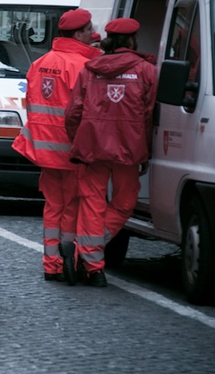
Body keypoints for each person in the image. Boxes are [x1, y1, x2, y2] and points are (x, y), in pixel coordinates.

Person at [65, 17, 157, 288]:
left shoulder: (89, 70)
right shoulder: (147, 71)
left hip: (92, 148)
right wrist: (146, 151)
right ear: (132, 40)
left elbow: (73, 113)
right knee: (125, 201)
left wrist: (79, 141)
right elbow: (150, 115)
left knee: (92, 203)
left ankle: (91, 261)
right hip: (129, 148)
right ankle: (90, 258)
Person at [12, 8, 100, 283]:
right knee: (72, 208)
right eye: (88, 29)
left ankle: (51, 265)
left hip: (43, 150)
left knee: (52, 208)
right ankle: (68, 261)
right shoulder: (82, 66)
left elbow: (33, 107)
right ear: (78, 33)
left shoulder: (40, 63)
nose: (91, 32)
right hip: (70, 151)